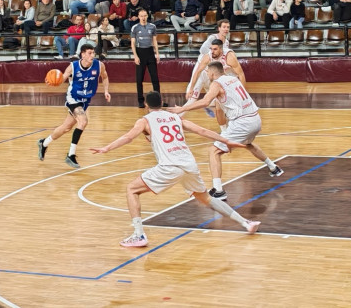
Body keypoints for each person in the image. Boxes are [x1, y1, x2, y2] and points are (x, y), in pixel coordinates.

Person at [91, 91, 261, 247]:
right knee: (206, 198)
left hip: (170, 166)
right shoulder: (175, 117)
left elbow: (128, 137)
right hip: (189, 164)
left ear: (147, 105)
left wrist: (107, 148)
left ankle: (139, 235)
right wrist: (226, 140)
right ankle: (246, 223)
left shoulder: (144, 121)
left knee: (132, 189)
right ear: (162, 102)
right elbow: (201, 130)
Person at [170, 62, 283, 200]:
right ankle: (273, 167)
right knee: (247, 144)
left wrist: (182, 109)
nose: (206, 74)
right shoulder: (233, 78)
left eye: (207, 71)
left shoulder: (216, 84)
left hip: (242, 123)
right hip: (255, 118)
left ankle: (218, 190)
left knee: (214, 151)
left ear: (212, 73)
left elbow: (205, 102)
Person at [39, 44, 110, 168]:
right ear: (83, 54)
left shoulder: (99, 65)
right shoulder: (73, 66)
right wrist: (53, 81)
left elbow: (105, 77)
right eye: (89, 53)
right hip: (73, 98)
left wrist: (106, 91)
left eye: (93, 53)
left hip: (85, 100)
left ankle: (44, 143)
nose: (92, 55)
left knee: (66, 128)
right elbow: (62, 79)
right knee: (83, 121)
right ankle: (71, 155)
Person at [185, 39, 246, 110]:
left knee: (229, 104)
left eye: (215, 49)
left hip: (231, 79)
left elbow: (241, 74)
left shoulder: (229, 57)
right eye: (211, 49)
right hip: (218, 79)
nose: (212, 51)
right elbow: (197, 72)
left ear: (221, 49)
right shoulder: (208, 57)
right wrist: (191, 88)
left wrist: (243, 93)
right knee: (216, 103)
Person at [131, 9, 160, 108]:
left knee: (155, 78)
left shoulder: (152, 26)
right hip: (140, 52)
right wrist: (135, 56)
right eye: (141, 16)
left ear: (147, 16)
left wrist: (157, 53)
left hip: (150, 52)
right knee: (139, 79)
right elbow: (133, 43)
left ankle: (158, 101)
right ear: (138, 17)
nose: (143, 18)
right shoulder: (135, 27)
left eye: (145, 16)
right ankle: (140, 100)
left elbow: (154, 41)